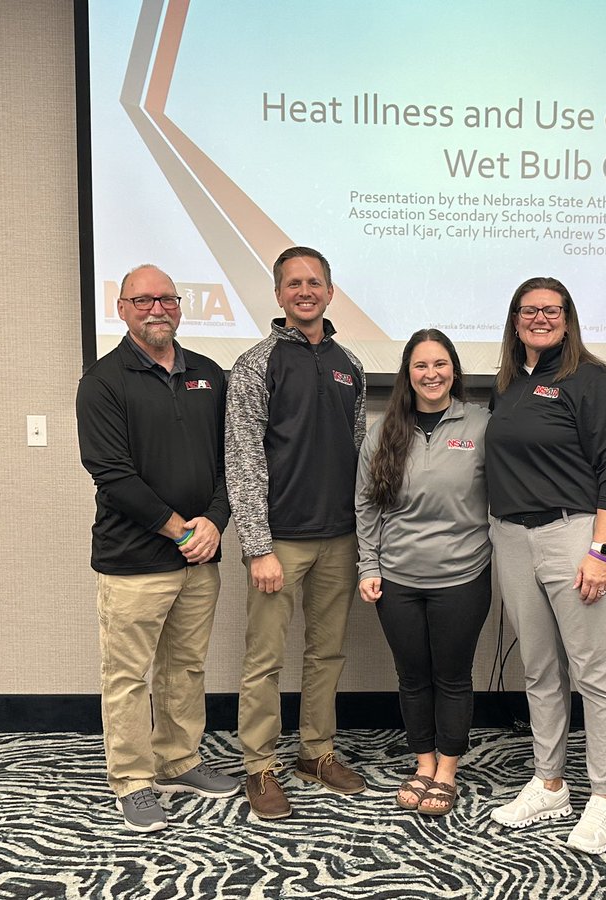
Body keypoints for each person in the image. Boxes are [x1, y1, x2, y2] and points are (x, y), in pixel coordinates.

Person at [76, 264, 239, 833]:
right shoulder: (102, 381)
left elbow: (230, 465)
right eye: (143, 300)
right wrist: (182, 530)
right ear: (120, 308)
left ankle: (179, 759)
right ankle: (133, 780)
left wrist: (215, 523)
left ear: (180, 306)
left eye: (167, 298)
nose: (157, 309)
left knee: (187, 668)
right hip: (133, 560)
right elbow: (112, 475)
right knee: (128, 676)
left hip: (201, 557)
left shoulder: (210, 375)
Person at [485, 276, 606, 855]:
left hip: (575, 535)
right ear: (514, 318)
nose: (540, 318)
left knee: (595, 673)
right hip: (513, 537)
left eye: (552, 310)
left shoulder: (591, 379)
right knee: (540, 670)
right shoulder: (509, 384)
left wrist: (600, 550)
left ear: (568, 318)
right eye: (529, 310)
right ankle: (550, 784)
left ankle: (605, 799)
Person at [226, 245, 368, 820]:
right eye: (293, 283)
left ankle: (317, 751)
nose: (304, 291)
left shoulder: (350, 365)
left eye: (314, 282)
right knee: (264, 660)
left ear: (330, 292)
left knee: (326, 652)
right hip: (279, 540)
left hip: (339, 537)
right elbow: (242, 458)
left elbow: (359, 451)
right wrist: (257, 546)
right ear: (279, 294)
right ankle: (259, 766)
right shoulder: (257, 363)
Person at [354, 329, 492, 816]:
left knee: (452, 677)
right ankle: (424, 762)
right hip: (397, 581)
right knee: (412, 677)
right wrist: (368, 566)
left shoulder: (481, 425)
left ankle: (448, 770)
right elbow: (366, 506)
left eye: (440, 364)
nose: (431, 374)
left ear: (454, 369)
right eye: (420, 366)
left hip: (463, 577)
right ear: (407, 374)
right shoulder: (384, 431)